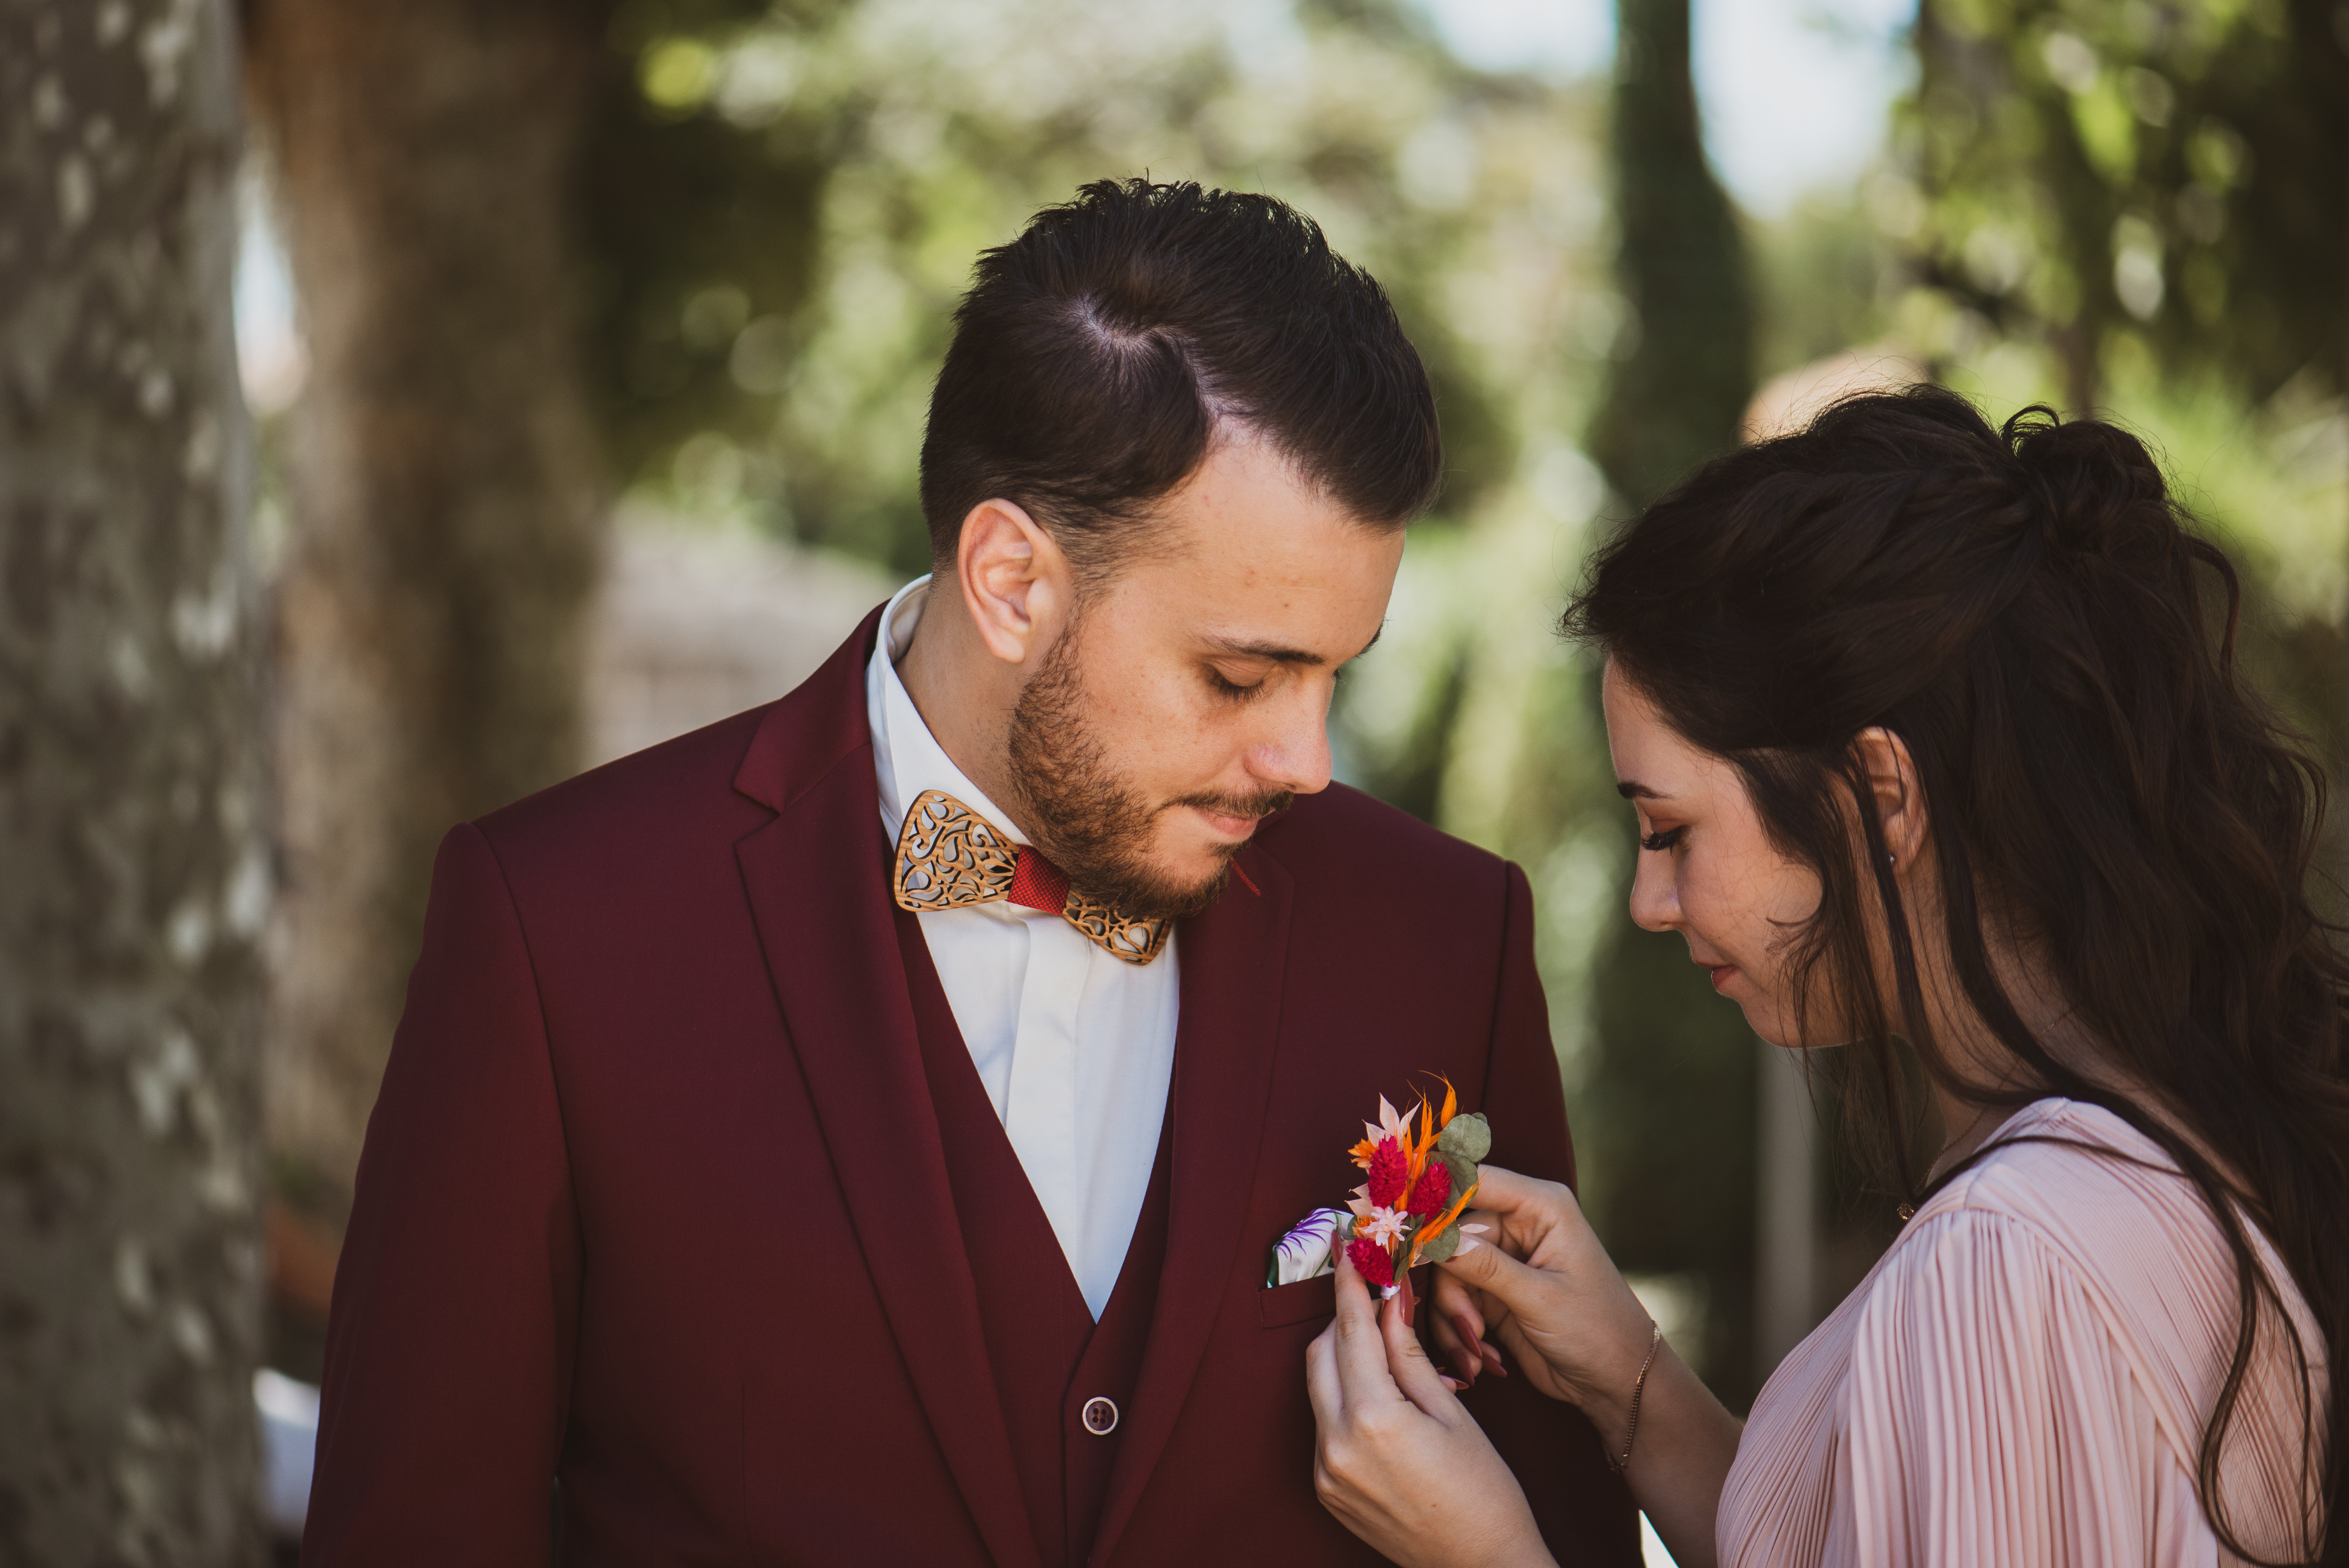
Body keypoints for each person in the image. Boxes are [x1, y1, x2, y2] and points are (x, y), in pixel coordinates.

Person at [301, 179, 1639, 1565]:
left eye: (1333, 678)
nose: (1306, 760)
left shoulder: (1443, 936)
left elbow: (1560, 1530)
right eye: (1241, 675)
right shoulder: (558, 932)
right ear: (1009, 579)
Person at [1309, 387, 2342, 1568]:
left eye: (1673, 830)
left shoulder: (2008, 1267)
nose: (1652, 903)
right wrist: (1631, 1378)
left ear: (1879, 797)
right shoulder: (2151, 1160)